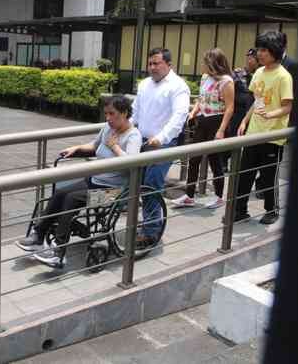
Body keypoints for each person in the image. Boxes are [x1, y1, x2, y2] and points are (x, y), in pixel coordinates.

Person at [15, 95, 142, 268]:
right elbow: (95, 146)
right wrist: (77, 148)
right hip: (94, 181)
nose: (108, 118)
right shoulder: (108, 128)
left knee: (71, 199)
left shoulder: (133, 135)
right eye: (106, 113)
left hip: (113, 193)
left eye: (112, 114)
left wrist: (115, 147)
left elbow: (132, 164)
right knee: (60, 193)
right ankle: (38, 236)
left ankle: (59, 252)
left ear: (125, 113)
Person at [130, 48, 190, 248]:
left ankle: (151, 232)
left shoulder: (178, 86)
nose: (152, 67)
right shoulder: (144, 84)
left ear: (169, 65)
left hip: (164, 144)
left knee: (151, 185)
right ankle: (142, 223)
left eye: (157, 63)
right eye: (150, 63)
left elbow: (179, 117)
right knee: (136, 182)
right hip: (141, 141)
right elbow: (135, 113)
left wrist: (161, 138)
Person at [234, 30, 293, 225]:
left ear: (275, 51)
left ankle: (272, 210)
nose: (259, 53)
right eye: (259, 49)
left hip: (272, 136)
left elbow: (287, 106)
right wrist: (244, 121)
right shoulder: (259, 72)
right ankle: (239, 210)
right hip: (254, 133)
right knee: (245, 174)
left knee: (269, 177)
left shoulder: (283, 76)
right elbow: (256, 101)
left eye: (264, 50)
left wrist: (271, 114)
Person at [171, 48, 235, 209]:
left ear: (214, 64)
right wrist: (193, 112)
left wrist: (221, 130)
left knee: (215, 160)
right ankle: (189, 195)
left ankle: (219, 197)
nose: (202, 65)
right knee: (194, 158)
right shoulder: (205, 78)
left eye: (205, 62)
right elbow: (201, 100)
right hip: (203, 120)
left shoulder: (226, 81)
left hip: (217, 121)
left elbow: (230, 108)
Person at [221, 48, 256, 172]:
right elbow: (228, 88)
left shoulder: (260, 75)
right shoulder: (238, 73)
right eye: (248, 58)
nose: (250, 61)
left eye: (253, 58)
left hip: (252, 113)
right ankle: (224, 162)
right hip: (238, 112)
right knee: (232, 138)